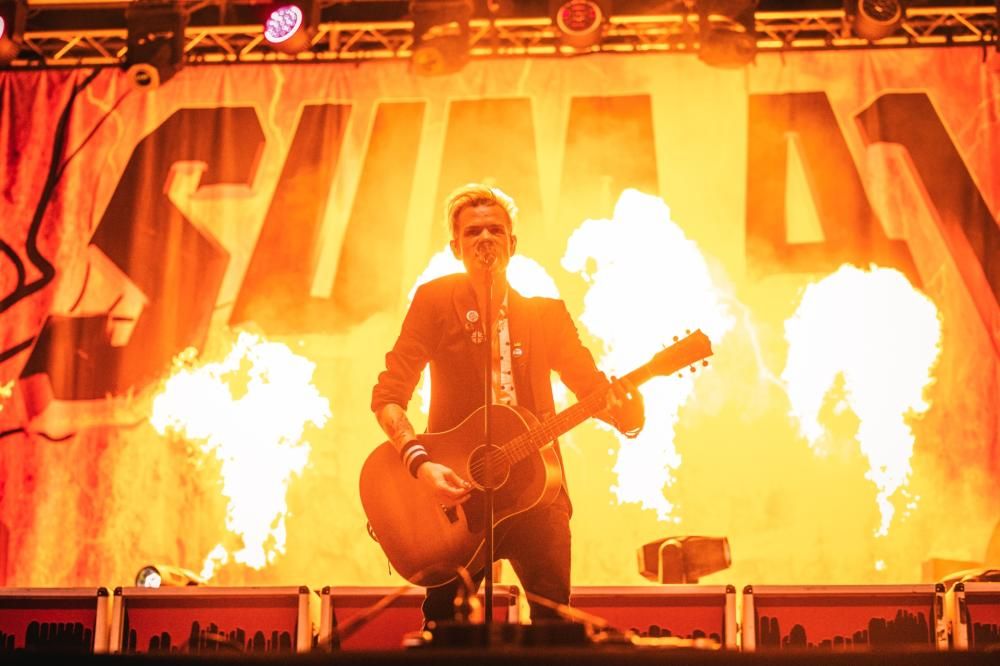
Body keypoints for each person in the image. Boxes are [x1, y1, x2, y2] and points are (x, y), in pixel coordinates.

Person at [371, 183, 645, 624]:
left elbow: (593, 391)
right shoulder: (434, 301)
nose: (485, 238)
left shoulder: (546, 315)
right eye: (473, 231)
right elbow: (388, 397)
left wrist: (628, 412)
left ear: (512, 244)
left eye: (495, 230)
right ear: (455, 247)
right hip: (458, 496)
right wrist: (421, 465)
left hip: (539, 489)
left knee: (554, 625)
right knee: (445, 628)